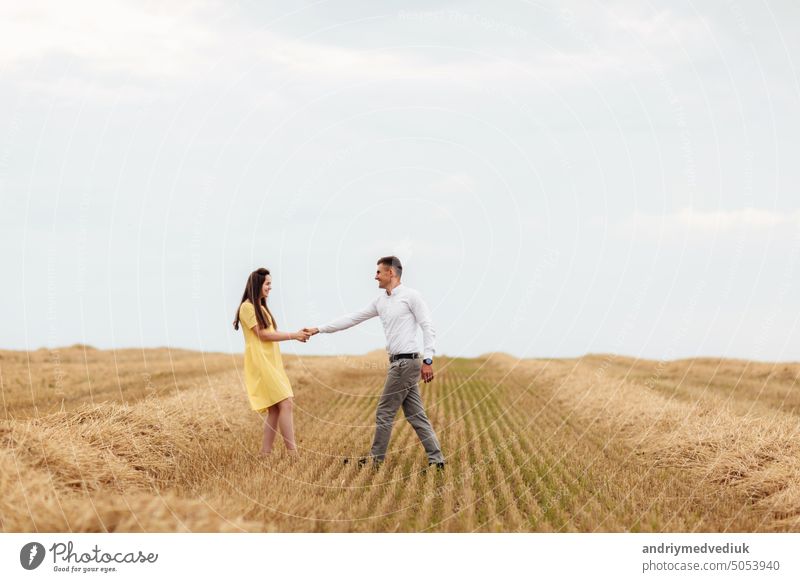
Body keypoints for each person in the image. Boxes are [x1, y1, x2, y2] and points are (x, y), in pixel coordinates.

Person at [305, 256, 445, 470]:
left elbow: (428, 327)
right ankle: (437, 461)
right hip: (398, 363)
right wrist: (319, 329)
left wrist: (428, 359)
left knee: (384, 412)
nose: (375, 276)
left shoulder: (411, 297)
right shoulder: (381, 301)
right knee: (416, 414)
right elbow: (353, 318)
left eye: (379, 272)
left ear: (391, 273)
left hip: (406, 363)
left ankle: (375, 460)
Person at [233, 267, 310, 457]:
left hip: (271, 361)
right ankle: (293, 453)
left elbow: (269, 334)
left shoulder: (260, 307)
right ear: (258, 284)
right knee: (286, 403)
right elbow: (264, 335)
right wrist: (294, 335)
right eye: (268, 284)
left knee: (275, 408)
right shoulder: (247, 307)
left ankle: (264, 453)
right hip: (261, 362)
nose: (270, 288)